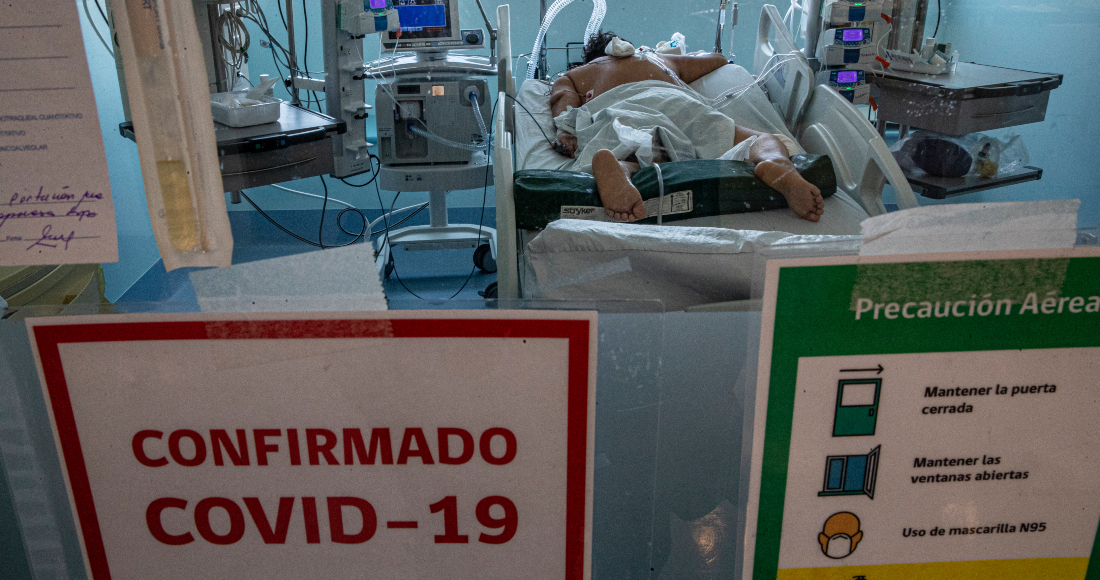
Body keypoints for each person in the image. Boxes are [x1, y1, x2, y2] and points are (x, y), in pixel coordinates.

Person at [548, 32, 824, 223]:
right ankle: (776, 163)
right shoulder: (657, 60)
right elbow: (718, 61)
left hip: (620, 112)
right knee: (758, 139)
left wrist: (566, 133)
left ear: (592, 58)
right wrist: (684, 55)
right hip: (678, 105)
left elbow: (563, 99)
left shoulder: (579, 74)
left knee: (635, 151)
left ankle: (621, 168)